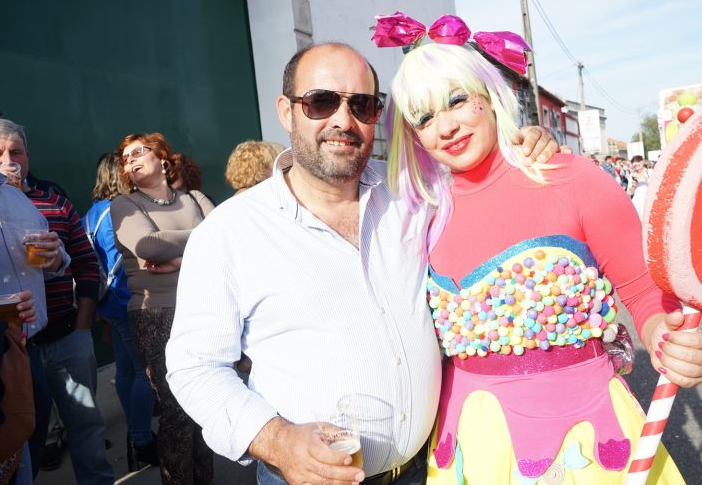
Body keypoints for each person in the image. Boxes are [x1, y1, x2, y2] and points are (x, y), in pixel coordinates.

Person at [165, 41, 557, 485]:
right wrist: (277, 440)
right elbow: (195, 366)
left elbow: (479, 169)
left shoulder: (413, 191)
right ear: (286, 111)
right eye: (321, 101)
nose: (343, 121)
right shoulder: (230, 232)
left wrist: (522, 142)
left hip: (428, 468)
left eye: (362, 105)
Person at [385, 39, 702, 484]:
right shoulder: (420, 213)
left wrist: (666, 340)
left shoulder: (572, 178)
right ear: (412, 136)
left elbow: (643, 291)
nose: (446, 127)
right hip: (469, 446)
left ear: (488, 95)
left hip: (581, 440)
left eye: (457, 100)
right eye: (424, 118)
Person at [0, 118, 115, 484]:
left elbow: (85, 263)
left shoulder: (52, 200)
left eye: (16, 152)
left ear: (28, 156)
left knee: (86, 425)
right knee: (23, 437)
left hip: (66, 335)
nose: (8, 160)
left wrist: (82, 326)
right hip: (13, 345)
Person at [111, 133, 215, 485]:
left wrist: (180, 260)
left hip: (205, 309)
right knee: (176, 410)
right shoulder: (125, 205)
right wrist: (202, 235)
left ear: (162, 159)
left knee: (205, 406)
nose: (130, 160)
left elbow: (226, 240)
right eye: (125, 158)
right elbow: (149, 246)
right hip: (157, 314)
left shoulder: (194, 198)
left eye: (138, 152)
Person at [84, 151, 157, 470]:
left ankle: (135, 433)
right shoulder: (120, 211)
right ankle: (141, 440)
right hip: (130, 300)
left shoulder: (92, 213)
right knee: (144, 372)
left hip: (108, 303)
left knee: (126, 370)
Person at [0, 168, 69, 485]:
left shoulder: (16, 198)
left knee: (28, 440)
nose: (8, 162)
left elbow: (54, 262)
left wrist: (55, 258)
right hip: (3, 349)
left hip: (28, 346)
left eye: (15, 152)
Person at [627, 155, 651, 219]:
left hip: (648, 200)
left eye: (638, 161)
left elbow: (655, 185)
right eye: (634, 162)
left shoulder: (650, 172)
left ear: (642, 162)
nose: (636, 164)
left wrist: (645, 178)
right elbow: (629, 193)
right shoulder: (632, 175)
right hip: (637, 201)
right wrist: (633, 186)